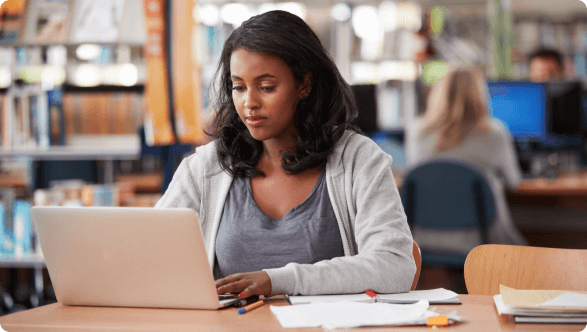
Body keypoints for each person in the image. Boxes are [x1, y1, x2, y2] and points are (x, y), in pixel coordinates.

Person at [155, 10, 415, 298]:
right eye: (238, 87)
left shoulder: (358, 160)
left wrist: (279, 280)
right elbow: (151, 255)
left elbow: (395, 266)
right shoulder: (206, 168)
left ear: (304, 84)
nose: (248, 103)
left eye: (266, 87)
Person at [407, 66, 528, 255]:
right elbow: (514, 183)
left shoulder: (417, 132)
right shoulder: (494, 133)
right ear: (480, 94)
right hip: (483, 240)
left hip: (424, 239)